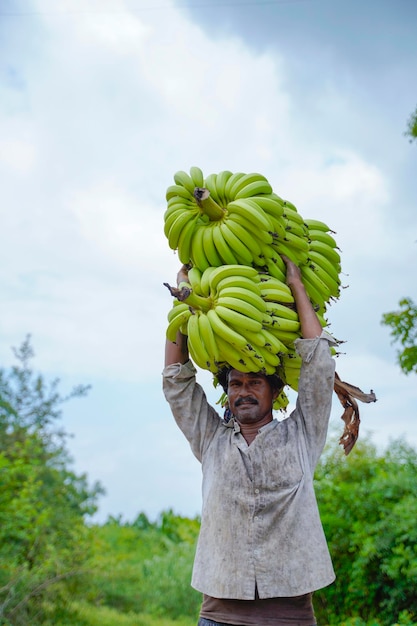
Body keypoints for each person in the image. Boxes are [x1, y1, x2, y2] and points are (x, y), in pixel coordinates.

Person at [163, 256, 338, 626]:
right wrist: (183, 301)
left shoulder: (302, 435)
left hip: (290, 618)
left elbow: (319, 363)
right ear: (227, 393)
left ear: (274, 392)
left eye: (254, 383)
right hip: (219, 617)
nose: (244, 391)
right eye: (236, 384)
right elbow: (176, 383)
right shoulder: (210, 439)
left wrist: (297, 286)